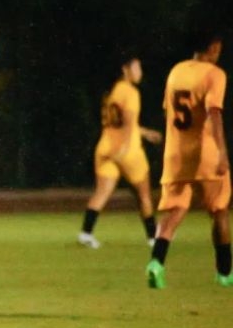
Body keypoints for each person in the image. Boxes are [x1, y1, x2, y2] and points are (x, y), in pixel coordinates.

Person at [146, 32, 229, 288]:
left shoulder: (176, 71)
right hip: (205, 153)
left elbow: (167, 111)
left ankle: (156, 262)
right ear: (214, 47)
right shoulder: (214, 74)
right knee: (219, 210)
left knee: (175, 210)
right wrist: (222, 150)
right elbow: (213, 113)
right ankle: (225, 273)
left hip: (175, 153)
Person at [77, 55, 162, 249]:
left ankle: (85, 233)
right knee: (144, 195)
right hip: (128, 152)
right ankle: (152, 237)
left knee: (102, 192)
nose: (140, 72)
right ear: (125, 69)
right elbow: (128, 124)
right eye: (137, 67)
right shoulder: (131, 92)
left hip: (105, 147)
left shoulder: (112, 92)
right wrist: (123, 148)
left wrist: (146, 133)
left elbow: (119, 123)